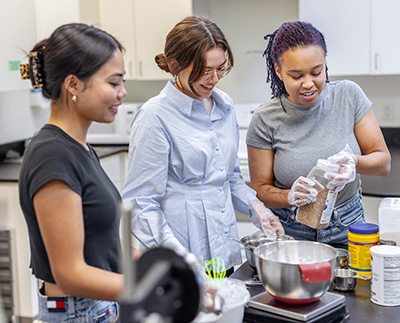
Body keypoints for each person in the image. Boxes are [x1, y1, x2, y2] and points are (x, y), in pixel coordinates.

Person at [122, 16, 284, 276]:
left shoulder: (224, 106)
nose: (215, 78)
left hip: (223, 255)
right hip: (181, 263)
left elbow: (229, 177)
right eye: (205, 71)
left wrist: (259, 210)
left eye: (221, 68)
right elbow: (141, 203)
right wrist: (179, 259)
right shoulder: (155, 116)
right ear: (175, 66)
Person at [246, 21, 391, 249]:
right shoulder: (265, 118)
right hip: (291, 230)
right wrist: (289, 196)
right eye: (296, 75)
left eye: (317, 72)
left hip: (347, 225)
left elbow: (383, 163)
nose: (308, 84)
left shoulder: (348, 96)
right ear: (278, 71)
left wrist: (355, 162)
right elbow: (260, 189)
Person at [19, 23, 128, 322]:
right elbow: (69, 274)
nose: (123, 92)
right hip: (77, 313)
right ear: (74, 85)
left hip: (97, 308)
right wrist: (149, 289)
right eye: (114, 82)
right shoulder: (52, 155)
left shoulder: (78, 148)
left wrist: (166, 268)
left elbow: (102, 242)